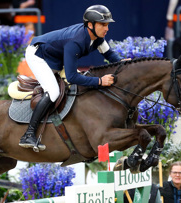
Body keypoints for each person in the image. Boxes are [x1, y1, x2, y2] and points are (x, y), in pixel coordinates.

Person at [19, 5, 123, 150]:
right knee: (53, 92)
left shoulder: (98, 37)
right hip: (38, 55)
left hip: (54, 57)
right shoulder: (76, 42)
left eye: (107, 25)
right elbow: (72, 76)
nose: (107, 28)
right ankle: (28, 135)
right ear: (90, 25)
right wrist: (100, 81)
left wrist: (123, 63)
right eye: (103, 24)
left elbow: (110, 55)